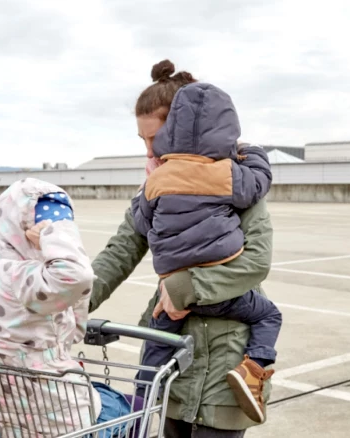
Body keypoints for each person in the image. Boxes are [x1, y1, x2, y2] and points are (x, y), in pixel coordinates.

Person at [90, 60, 274, 438]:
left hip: (226, 367)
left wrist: (181, 288)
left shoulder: (235, 183)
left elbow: (256, 261)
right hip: (173, 361)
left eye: (153, 139)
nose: (148, 151)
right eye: (141, 140)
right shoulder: (157, 187)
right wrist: (70, 301)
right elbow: (121, 250)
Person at [130, 80, 282, 424]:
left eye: (154, 139)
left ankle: (142, 394)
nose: (149, 150)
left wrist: (147, 193)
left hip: (176, 293)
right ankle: (255, 369)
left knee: (159, 331)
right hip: (220, 293)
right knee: (269, 315)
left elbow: (140, 224)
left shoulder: (157, 180)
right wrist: (251, 153)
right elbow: (259, 180)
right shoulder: (229, 175)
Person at [0, 178, 104, 437]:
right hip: (55, 402)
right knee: (120, 408)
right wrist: (56, 237)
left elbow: (74, 322)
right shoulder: (22, 274)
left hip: (15, 404)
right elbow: (78, 278)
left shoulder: (1, 267)